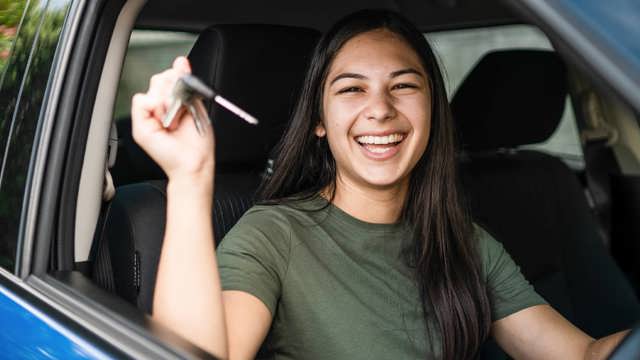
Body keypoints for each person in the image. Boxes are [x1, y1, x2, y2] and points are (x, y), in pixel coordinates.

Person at [131, 9, 629, 360]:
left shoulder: (463, 241)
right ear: (319, 120)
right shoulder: (274, 235)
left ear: (432, 109)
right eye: (351, 89)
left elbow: (581, 354)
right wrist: (190, 177)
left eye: (404, 85)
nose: (380, 109)